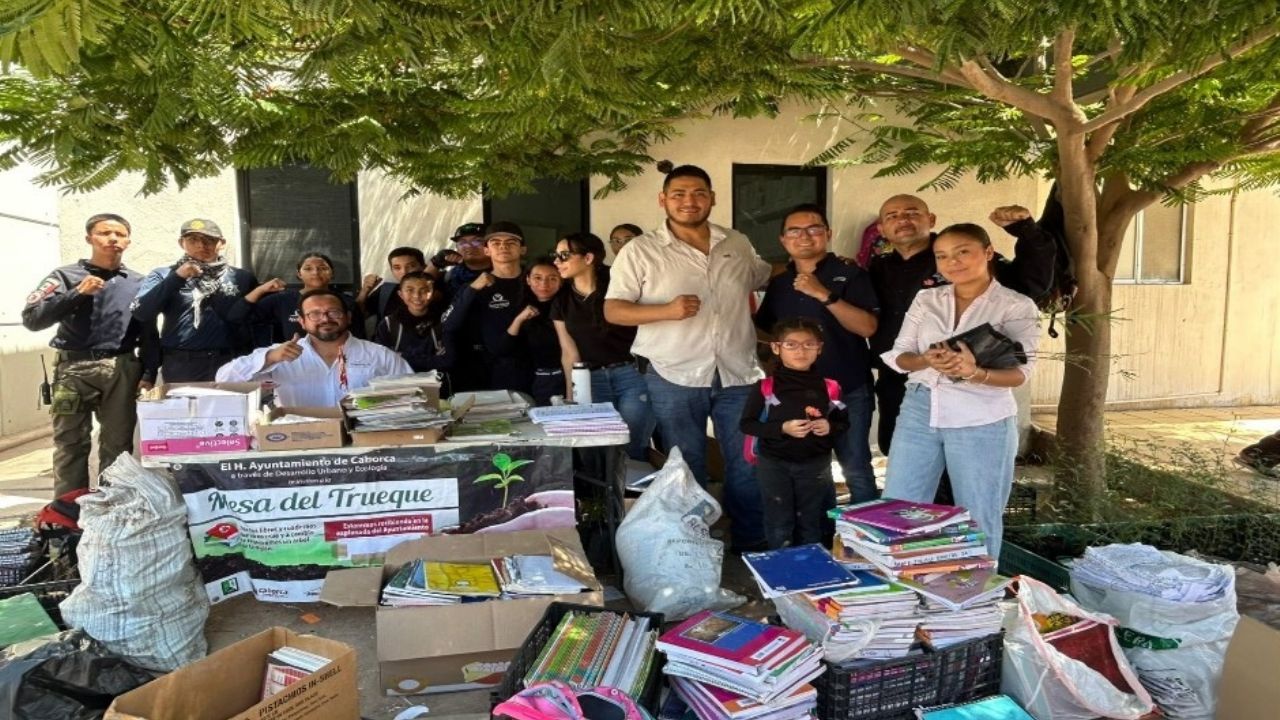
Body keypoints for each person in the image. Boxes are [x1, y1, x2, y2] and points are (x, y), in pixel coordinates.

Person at [604, 164, 773, 553]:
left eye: (698, 192)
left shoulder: (736, 241)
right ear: (663, 200)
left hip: (738, 372)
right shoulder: (640, 250)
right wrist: (667, 310)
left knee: (747, 463)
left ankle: (753, 543)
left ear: (712, 198)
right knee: (687, 464)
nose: (689, 201)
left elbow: (760, 277)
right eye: (678, 193)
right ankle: (695, 546)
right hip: (672, 374)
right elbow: (614, 310)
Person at [880, 223, 1041, 559]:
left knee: (978, 513)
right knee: (900, 506)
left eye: (962, 251)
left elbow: (1020, 373)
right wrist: (926, 359)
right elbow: (899, 354)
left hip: (982, 416)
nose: (952, 262)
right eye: (942, 256)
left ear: (987, 252)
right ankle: (903, 591)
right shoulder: (927, 298)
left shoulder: (1015, 306)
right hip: (920, 408)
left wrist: (975, 372)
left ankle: (975, 600)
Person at [869, 195, 1055, 457]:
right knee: (898, 452)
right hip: (902, 376)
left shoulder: (964, 259)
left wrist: (1026, 231)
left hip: (968, 382)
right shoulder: (877, 267)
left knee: (960, 465)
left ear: (931, 219)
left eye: (912, 212)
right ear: (882, 229)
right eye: (892, 216)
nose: (903, 220)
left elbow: (1031, 282)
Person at [22, 214, 159, 496]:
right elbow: (33, 319)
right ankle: (67, 513)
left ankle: (112, 507)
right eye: (104, 233)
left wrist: (148, 373)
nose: (112, 240)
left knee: (118, 445)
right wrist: (76, 294)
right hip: (72, 371)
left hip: (121, 368)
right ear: (89, 239)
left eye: (120, 235)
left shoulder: (139, 282)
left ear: (128, 241)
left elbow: (149, 333)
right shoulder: (64, 276)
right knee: (69, 443)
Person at [754, 203, 880, 503]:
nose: (805, 237)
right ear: (784, 240)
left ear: (828, 234)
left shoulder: (849, 274)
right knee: (812, 472)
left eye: (814, 229)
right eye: (795, 231)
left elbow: (868, 328)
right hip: (798, 396)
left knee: (856, 467)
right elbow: (765, 330)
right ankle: (822, 536)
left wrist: (823, 294)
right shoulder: (781, 283)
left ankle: (867, 540)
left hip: (847, 390)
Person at [740, 318, 850, 549]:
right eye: (791, 345)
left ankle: (809, 569)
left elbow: (843, 422)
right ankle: (781, 569)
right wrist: (782, 428)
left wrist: (830, 427)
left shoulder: (830, 387)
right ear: (776, 348)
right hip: (774, 464)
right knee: (779, 520)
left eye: (809, 344)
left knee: (811, 520)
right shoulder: (765, 387)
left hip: (815, 464)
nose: (801, 351)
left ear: (819, 348)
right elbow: (747, 425)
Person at [552, 232, 656, 459]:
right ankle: (601, 495)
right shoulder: (561, 299)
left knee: (632, 445)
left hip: (633, 373)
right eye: (556, 256)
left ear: (588, 258)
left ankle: (631, 495)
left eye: (564, 255)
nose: (557, 261)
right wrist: (572, 395)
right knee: (597, 448)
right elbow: (568, 351)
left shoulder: (621, 284)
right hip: (590, 378)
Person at [216, 288, 411, 406]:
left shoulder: (379, 355)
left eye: (333, 312)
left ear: (348, 317)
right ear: (301, 321)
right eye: (314, 314)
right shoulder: (280, 354)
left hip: (363, 449)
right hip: (301, 450)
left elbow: (413, 394)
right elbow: (224, 380)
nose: (325, 319)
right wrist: (269, 358)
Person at [132, 218, 258, 382]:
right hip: (182, 364)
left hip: (231, 361)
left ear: (222, 243)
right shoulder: (163, 275)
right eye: (193, 240)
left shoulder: (242, 278)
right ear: (181, 243)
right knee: (184, 408)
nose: (201, 246)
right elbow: (142, 313)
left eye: (209, 240)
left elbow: (256, 322)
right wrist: (177, 277)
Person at [441, 221, 534, 396]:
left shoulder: (536, 282)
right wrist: (472, 289)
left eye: (511, 242)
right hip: (487, 369)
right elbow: (448, 325)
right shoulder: (475, 286)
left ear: (523, 249)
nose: (503, 247)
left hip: (535, 367)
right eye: (496, 243)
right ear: (487, 250)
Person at [233, 252, 364, 344]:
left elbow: (359, 337)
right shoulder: (282, 300)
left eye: (323, 268)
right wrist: (260, 290)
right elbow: (237, 316)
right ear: (299, 274)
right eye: (308, 268)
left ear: (332, 273)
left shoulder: (346, 302)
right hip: (293, 363)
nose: (315, 272)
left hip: (339, 361)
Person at [494, 258, 564, 406]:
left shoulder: (568, 307)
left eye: (552, 278)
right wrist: (519, 319)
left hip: (564, 376)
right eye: (537, 278)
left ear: (561, 281)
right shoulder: (520, 307)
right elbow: (503, 348)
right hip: (529, 379)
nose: (544, 284)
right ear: (528, 280)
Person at [373, 271, 457, 393]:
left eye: (424, 290)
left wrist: (402, 356)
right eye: (410, 290)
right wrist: (430, 359)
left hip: (439, 386)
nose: (417, 296)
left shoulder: (445, 321)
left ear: (433, 294)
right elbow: (383, 360)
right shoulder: (388, 324)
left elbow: (448, 360)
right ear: (400, 294)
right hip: (400, 387)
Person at [356, 246, 425, 329]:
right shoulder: (386, 291)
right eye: (397, 268)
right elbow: (359, 315)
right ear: (392, 270)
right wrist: (365, 291)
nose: (404, 272)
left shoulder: (432, 292)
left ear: (423, 267)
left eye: (410, 266)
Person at [427, 222, 492, 298]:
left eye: (477, 241)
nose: (469, 246)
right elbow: (421, 290)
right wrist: (436, 262)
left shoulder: (503, 271)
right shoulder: (452, 276)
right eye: (463, 242)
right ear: (457, 248)